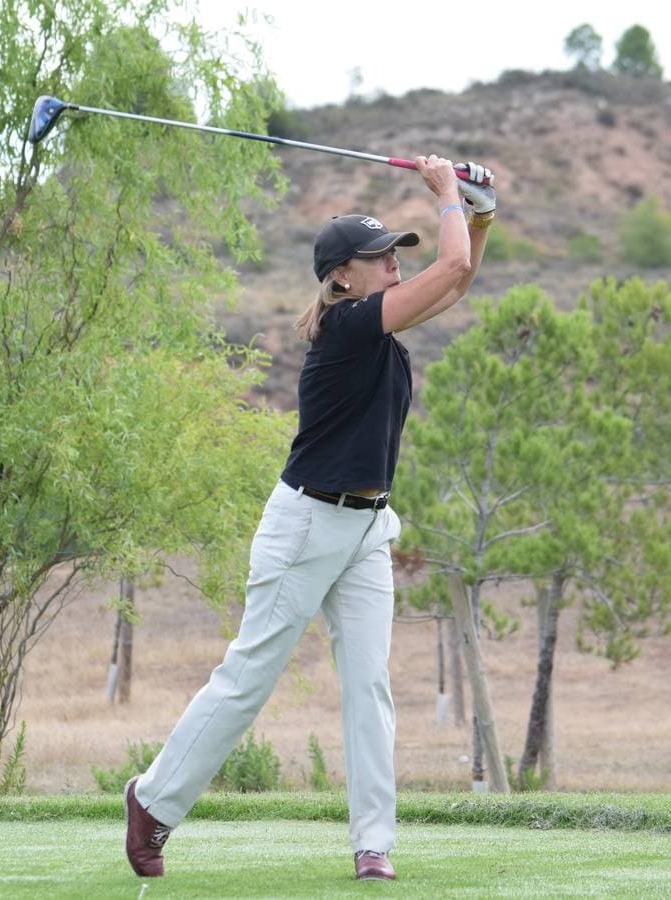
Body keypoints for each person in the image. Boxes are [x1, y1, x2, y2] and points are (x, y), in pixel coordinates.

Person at [124, 154, 496, 882]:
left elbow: (456, 279)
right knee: (249, 677)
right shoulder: (351, 327)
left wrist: (481, 218)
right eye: (379, 257)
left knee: (369, 684)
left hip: (363, 531)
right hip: (304, 529)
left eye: (395, 255)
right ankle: (153, 800)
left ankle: (372, 843)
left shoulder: (373, 325)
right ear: (342, 278)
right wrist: (450, 194)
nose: (393, 264)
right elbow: (448, 274)